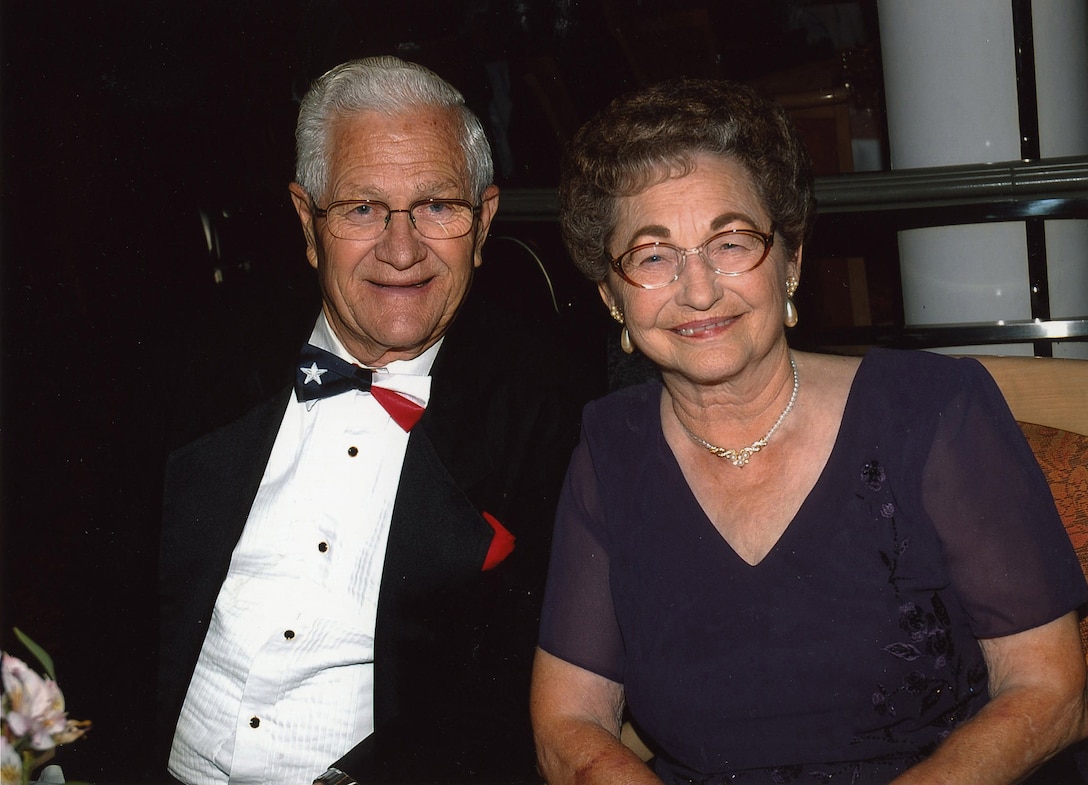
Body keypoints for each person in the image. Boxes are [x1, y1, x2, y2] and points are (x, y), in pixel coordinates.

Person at [530, 78, 1088, 785]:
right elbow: (567, 724)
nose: (698, 290)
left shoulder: (934, 409)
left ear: (790, 260)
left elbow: (1051, 691)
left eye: (730, 243)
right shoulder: (610, 449)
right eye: (652, 255)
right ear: (613, 298)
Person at [157, 56, 598, 785]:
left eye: (437, 206)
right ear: (308, 221)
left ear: (484, 222)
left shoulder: (549, 412)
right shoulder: (195, 367)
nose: (402, 249)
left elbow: (516, 698)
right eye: (362, 208)